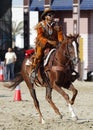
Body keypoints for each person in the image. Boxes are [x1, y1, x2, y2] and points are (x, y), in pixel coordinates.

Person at [30, 9, 64, 74]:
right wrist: (48, 41)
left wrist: (60, 42)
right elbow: (40, 37)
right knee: (39, 54)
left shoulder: (56, 26)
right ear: (45, 17)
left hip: (54, 44)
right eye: (49, 15)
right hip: (43, 43)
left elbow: (60, 36)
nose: (51, 16)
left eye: (52, 15)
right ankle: (33, 70)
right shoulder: (41, 25)